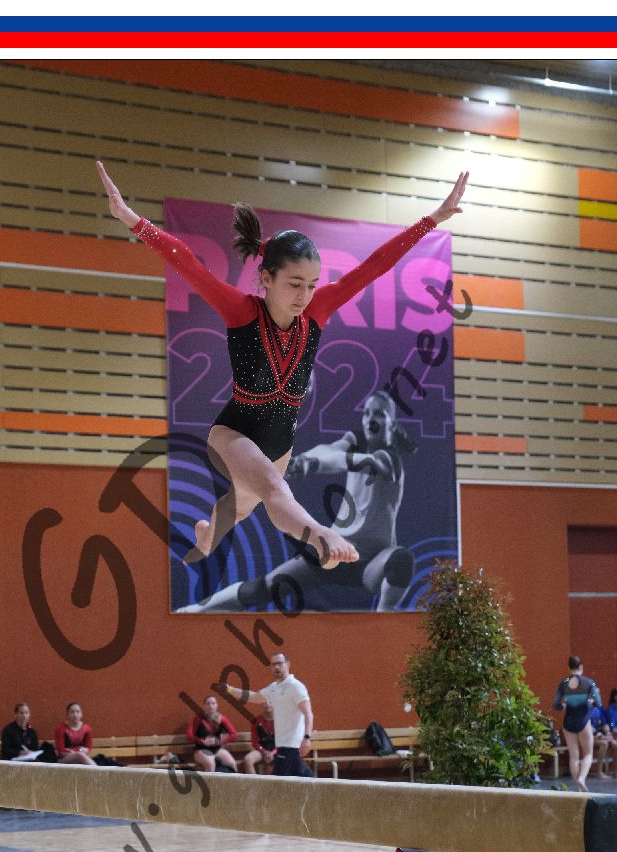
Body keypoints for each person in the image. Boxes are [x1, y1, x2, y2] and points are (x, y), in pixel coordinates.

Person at [97, 159, 467, 570]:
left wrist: (432, 219)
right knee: (274, 489)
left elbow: (375, 266)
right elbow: (187, 263)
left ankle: (207, 534)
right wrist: (131, 219)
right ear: (266, 278)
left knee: (243, 505)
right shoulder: (241, 311)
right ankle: (321, 535)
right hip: (234, 433)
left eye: (311, 285)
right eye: (294, 284)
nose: (304, 295)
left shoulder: (318, 311)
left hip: (280, 444)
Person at [178, 389, 415, 613]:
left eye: (379, 414)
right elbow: (329, 449)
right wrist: (303, 460)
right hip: (333, 552)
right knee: (263, 587)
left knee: (401, 560)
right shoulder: (356, 442)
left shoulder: (389, 459)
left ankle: (384, 620)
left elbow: (349, 461)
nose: (371, 418)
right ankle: (198, 609)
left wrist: (313, 465)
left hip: (372, 563)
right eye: (367, 413)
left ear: (392, 425)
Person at [218, 651, 313, 777]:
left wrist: (307, 738)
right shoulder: (274, 688)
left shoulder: (296, 686)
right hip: (282, 745)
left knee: (283, 780)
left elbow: (308, 713)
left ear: (288, 664)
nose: (276, 667)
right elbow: (253, 696)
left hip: (292, 744)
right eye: (273, 665)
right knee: (296, 777)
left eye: (279, 663)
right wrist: (230, 689)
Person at [551, 657, 603, 792]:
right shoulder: (588, 682)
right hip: (583, 720)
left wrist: (564, 705)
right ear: (581, 666)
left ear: (569, 667)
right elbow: (598, 703)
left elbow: (556, 704)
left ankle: (578, 788)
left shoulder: (564, 683)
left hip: (568, 721)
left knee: (573, 756)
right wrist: (589, 702)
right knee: (588, 753)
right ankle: (582, 778)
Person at [188, 695, 238, 773]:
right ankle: (209, 781)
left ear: (217, 705)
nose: (211, 706)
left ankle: (231, 781)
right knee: (211, 764)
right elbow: (189, 735)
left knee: (232, 764)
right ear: (204, 706)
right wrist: (202, 742)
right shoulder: (198, 718)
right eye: (208, 704)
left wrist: (220, 742)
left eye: (213, 703)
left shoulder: (221, 718)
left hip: (217, 749)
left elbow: (233, 734)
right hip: (201, 749)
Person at [54, 701, 96, 766]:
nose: (75, 715)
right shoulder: (61, 729)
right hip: (64, 760)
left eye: (77, 712)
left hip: (83, 757)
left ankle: (97, 770)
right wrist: (78, 751)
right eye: (72, 712)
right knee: (79, 755)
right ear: (67, 715)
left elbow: (88, 747)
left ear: (81, 714)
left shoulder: (87, 728)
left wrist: (82, 751)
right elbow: (61, 752)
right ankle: (98, 770)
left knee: (81, 756)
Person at [589, 703, 617, 780]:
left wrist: (608, 732)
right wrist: (596, 733)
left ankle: (615, 771)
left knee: (615, 744)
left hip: (601, 734)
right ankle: (599, 772)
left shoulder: (600, 708)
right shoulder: (583, 708)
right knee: (604, 743)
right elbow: (585, 725)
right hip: (589, 735)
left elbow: (605, 723)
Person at [243, 704, 277, 774]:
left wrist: (272, 753)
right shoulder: (256, 720)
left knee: (269, 768)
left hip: (276, 750)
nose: (268, 704)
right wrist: (264, 751)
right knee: (248, 759)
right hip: (261, 749)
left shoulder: (280, 721)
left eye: (270, 702)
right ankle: (253, 781)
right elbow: (254, 742)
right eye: (265, 702)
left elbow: (283, 742)